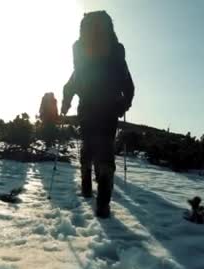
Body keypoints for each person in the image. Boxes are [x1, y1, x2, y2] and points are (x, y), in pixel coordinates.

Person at [61, 11, 135, 218]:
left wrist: (65, 105)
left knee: (88, 143)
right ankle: (103, 201)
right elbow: (128, 85)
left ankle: (86, 184)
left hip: (86, 109)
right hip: (110, 109)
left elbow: (71, 84)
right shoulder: (116, 54)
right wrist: (124, 104)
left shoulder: (82, 56)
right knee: (105, 147)